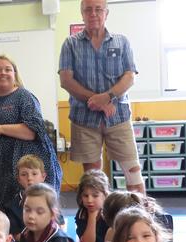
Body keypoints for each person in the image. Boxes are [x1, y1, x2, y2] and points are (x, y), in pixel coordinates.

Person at [58, 0, 144, 193]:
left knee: (133, 173)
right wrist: (96, 100)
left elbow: (129, 77)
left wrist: (107, 97)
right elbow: (66, 80)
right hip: (84, 120)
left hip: (119, 117)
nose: (93, 14)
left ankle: (140, 220)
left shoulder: (122, 41)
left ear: (107, 13)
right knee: (93, 180)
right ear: (82, 13)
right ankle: (97, 221)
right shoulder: (70, 44)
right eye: (88, 10)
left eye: (98, 9)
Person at [0, 54, 62, 209]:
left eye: (8, 69)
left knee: (34, 207)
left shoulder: (24, 96)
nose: (3, 73)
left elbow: (32, 131)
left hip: (27, 163)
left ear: (14, 74)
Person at [3, 154, 66, 241]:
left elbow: (61, 226)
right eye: (24, 174)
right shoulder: (12, 206)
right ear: (19, 179)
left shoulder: (50, 199)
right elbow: (16, 236)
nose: (29, 178)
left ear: (43, 177)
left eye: (34, 174)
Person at [75, 170, 110, 242]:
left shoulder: (111, 211)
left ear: (105, 195)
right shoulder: (82, 213)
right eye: (86, 196)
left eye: (95, 196)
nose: (89, 200)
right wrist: (92, 216)